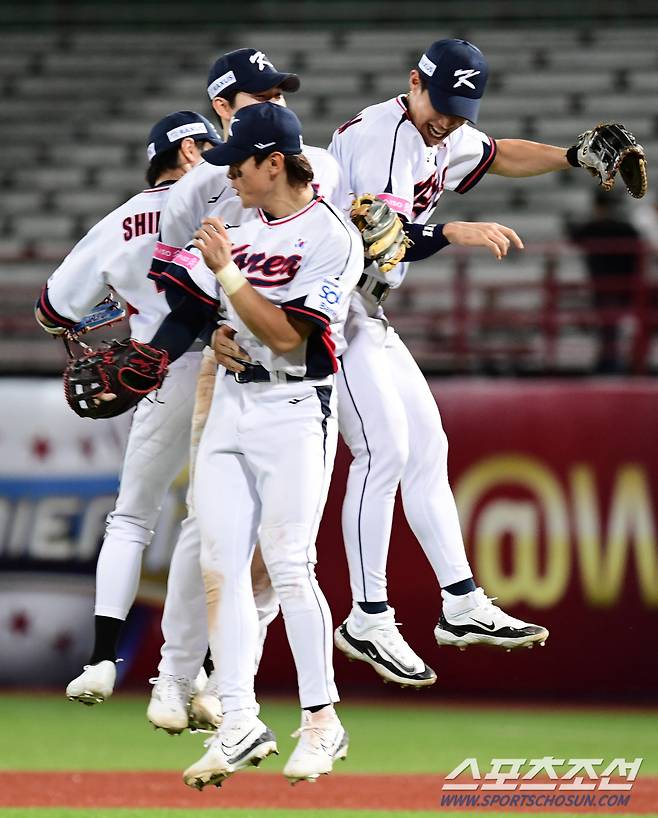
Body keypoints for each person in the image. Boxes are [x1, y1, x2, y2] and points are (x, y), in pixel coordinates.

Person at [326, 37, 604, 685]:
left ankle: (462, 602)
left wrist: (570, 156)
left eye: (460, 107)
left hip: (368, 312)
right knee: (383, 453)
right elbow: (382, 241)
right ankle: (367, 614)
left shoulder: (444, 133)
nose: (447, 118)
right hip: (326, 307)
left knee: (427, 447)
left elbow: (497, 152)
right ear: (412, 83)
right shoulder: (382, 136)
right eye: (440, 103)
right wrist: (453, 231)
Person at [145, 103, 363, 785]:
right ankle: (238, 721)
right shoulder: (240, 224)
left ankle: (324, 725)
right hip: (234, 405)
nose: (227, 176)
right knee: (220, 565)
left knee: (292, 566)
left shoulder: (332, 236)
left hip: (295, 410)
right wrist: (208, 333)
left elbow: (288, 335)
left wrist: (230, 277)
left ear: (275, 164)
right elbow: (209, 311)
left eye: (237, 164)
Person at [36, 111, 226, 727]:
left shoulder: (122, 219)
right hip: (233, 368)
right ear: (190, 150)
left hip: (158, 372)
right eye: (208, 145)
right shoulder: (234, 202)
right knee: (220, 523)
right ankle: (206, 676)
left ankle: (100, 659)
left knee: (132, 517)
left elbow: (51, 309)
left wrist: (109, 318)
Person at [568, 189, 644, 373]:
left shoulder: (594, 228)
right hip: (623, 285)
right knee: (613, 326)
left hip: (605, 285)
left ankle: (610, 364)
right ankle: (613, 363)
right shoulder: (626, 228)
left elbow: (574, 235)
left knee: (609, 326)